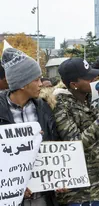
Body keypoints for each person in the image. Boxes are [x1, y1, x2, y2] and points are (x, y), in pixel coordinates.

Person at [54, 58, 99, 206]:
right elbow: (74, 145)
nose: (94, 79)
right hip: (76, 192)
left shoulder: (95, 99)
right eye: (88, 78)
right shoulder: (59, 104)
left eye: (94, 75)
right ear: (74, 84)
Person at [0, 47, 59, 206]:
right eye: (37, 79)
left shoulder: (45, 108)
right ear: (22, 84)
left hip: (41, 196)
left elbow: (54, 146)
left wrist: (59, 179)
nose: (41, 84)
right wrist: (14, 184)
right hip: (8, 198)